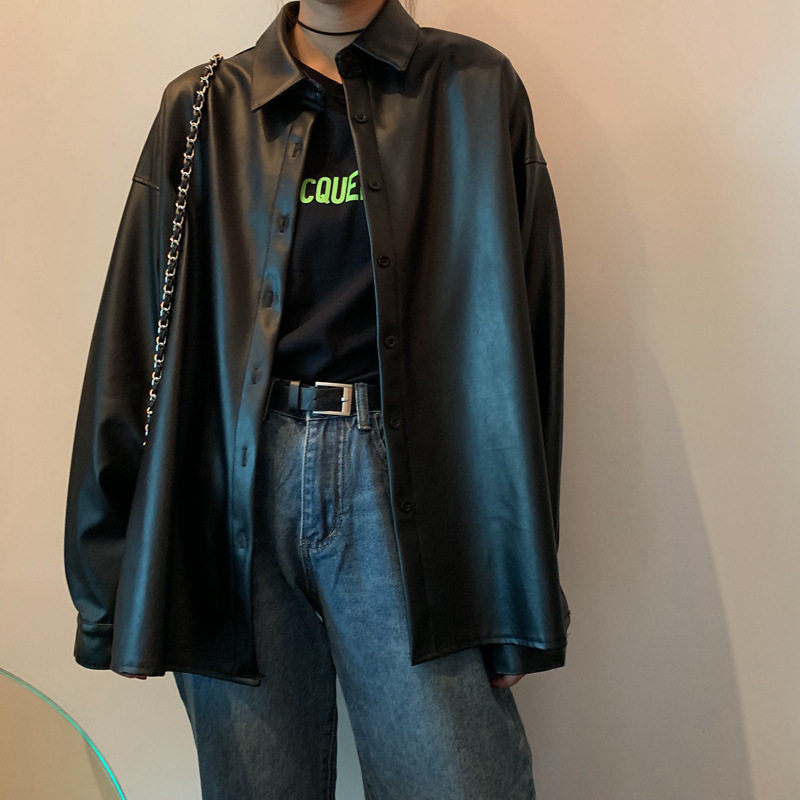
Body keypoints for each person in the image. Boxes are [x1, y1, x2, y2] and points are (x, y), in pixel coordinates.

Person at [64, 0, 571, 796]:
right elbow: (131, 345)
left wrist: (517, 594)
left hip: (410, 494)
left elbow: (524, 349)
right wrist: (111, 587)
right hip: (234, 498)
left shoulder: (473, 89)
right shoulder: (204, 109)